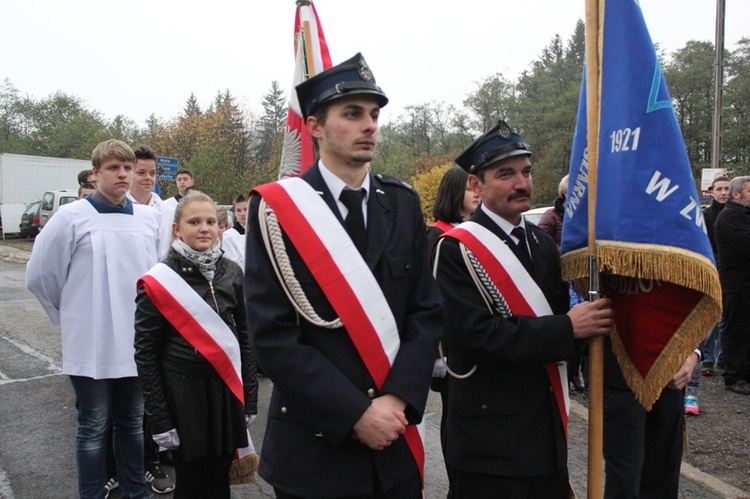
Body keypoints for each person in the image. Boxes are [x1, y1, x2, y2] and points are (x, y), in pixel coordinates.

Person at [244, 53, 443, 498]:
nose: (369, 125)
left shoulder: (403, 202)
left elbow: (426, 313)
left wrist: (395, 401)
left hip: (394, 441)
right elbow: (272, 335)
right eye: (352, 114)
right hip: (314, 449)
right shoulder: (277, 210)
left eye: (373, 114)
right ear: (315, 126)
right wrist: (356, 413)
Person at [432, 120, 614, 498]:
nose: (522, 183)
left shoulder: (541, 243)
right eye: (506, 174)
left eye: (526, 172)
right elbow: (476, 337)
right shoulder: (455, 250)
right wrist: (568, 329)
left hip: (546, 436)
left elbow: (565, 329)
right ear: (476, 185)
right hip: (489, 446)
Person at [26, 139, 160, 499]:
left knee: (132, 423)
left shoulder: (149, 219)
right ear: (96, 173)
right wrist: (71, 314)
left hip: (136, 340)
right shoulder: (70, 218)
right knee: (93, 426)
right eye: (114, 168)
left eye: (127, 168)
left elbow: (159, 276)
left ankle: (136, 492)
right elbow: (40, 274)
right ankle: (91, 493)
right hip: (91, 338)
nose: (123, 174)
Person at [135, 192, 258, 499]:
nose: (204, 228)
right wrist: (160, 418)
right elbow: (146, 354)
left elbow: (245, 338)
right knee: (191, 482)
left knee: (219, 480)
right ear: (177, 229)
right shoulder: (159, 281)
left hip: (226, 393)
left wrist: (250, 398)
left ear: (219, 227)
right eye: (194, 222)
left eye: (210, 222)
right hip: (183, 398)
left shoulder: (232, 272)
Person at [425, 164, 478, 498]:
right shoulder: (435, 237)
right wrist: (435, 352)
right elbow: (428, 301)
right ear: (454, 193)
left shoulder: (480, 232)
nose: (477, 193)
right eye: (470, 188)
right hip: (449, 351)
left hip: (478, 343)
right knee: (456, 418)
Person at [603, 338, 701, 498]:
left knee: (661, 472)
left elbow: (701, 312)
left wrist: (693, 351)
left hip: (669, 373)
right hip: (620, 367)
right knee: (624, 480)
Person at [538, 175, 587, 394]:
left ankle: (576, 372)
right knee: (569, 327)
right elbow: (542, 243)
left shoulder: (585, 214)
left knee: (585, 334)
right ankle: (564, 372)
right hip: (563, 281)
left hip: (581, 279)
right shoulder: (552, 216)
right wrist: (564, 253)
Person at [714, 175, 750, 395]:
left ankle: (744, 373)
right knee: (737, 331)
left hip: (745, 284)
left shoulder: (743, 215)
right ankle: (734, 376)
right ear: (737, 194)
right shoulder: (729, 217)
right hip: (737, 285)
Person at [699, 175, 729, 377]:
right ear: (712, 192)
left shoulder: (740, 213)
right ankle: (707, 358)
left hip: (731, 270)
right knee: (711, 314)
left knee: (727, 316)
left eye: (727, 188)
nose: (724, 192)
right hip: (713, 266)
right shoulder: (706, 216)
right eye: (719, 189)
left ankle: (724, 357)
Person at [221, 193, 248, 269]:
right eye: (239, 210)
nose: (242, 214)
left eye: (246, 209)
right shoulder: (229, 236)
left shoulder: (260, 232)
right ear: (235, 213)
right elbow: (233, 263)